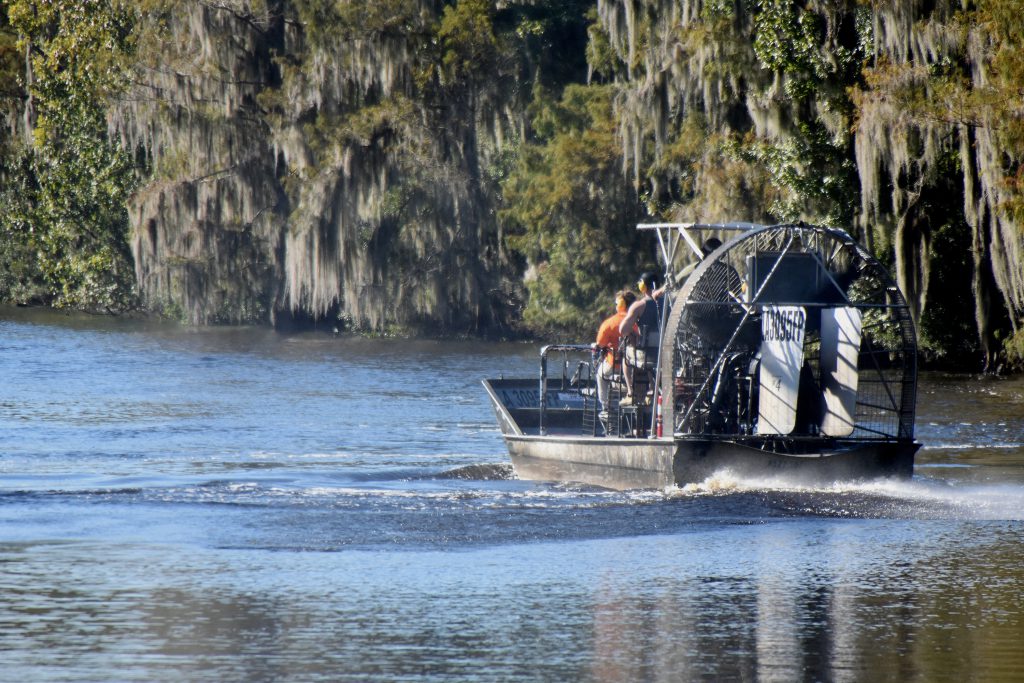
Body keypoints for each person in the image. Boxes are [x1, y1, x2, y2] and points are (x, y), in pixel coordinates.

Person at [619, 271, 669, 404]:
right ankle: (653, 390)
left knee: (626, 357)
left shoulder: (639, 305)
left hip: (647, 356)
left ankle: (631, 393)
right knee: (653, 358)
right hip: (667, 354)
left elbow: (623, 330)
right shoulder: (670, 303)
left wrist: (632, 334)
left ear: (643, 286)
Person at [594, 289, 637, 410]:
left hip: (614, 365)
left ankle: (605, 407)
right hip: (636, 366)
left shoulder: (609, 323)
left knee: (600, 375)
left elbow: (600, 344)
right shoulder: (638, 320)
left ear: (620, 305)